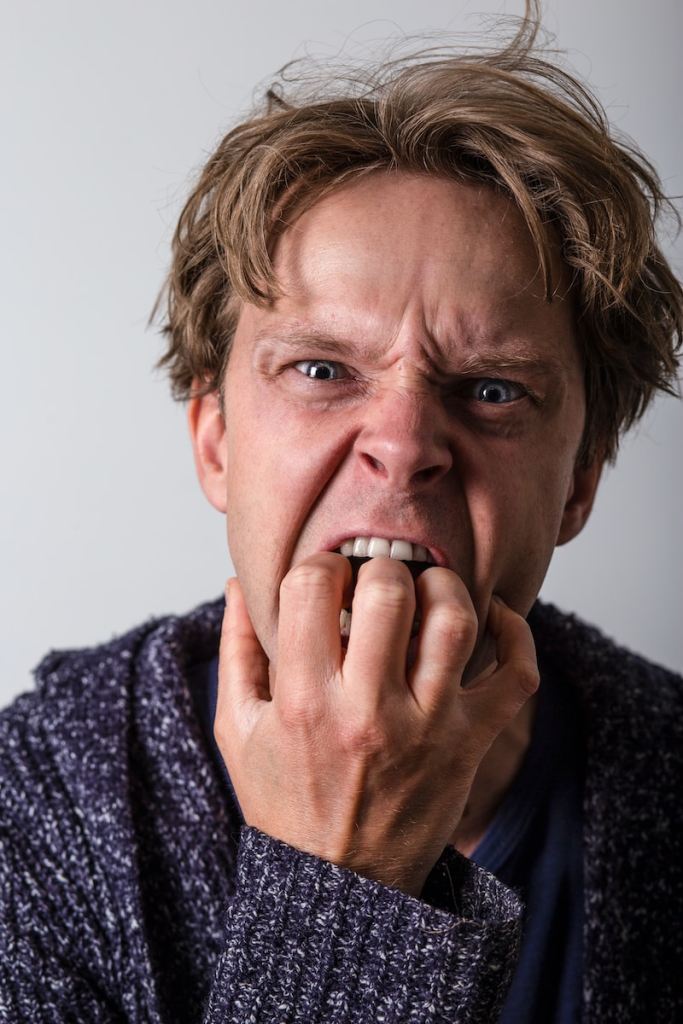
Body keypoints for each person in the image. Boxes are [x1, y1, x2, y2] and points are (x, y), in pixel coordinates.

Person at [1, 6, 681, 1022]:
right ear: (215, 440)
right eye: (321, 370)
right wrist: (343, 884)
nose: (403, 444)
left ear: (579, 478)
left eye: (491, 389)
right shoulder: (33, 810)